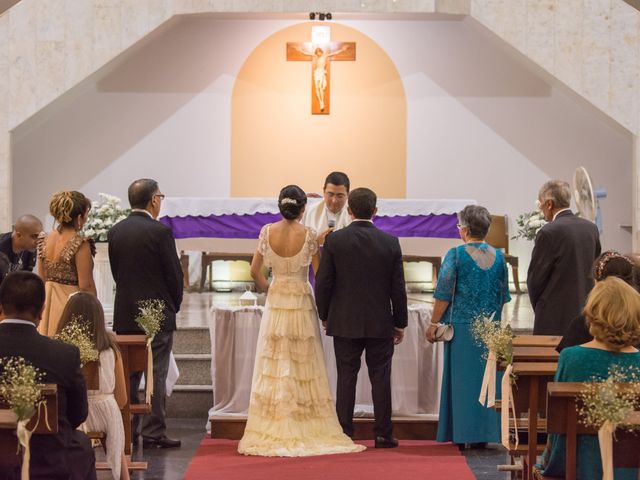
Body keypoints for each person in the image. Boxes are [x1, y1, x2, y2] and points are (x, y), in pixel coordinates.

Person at [238, 185, 365, 457]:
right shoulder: (308, 235)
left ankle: (275, 419)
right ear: (304, 208)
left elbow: (253, 271)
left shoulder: (266, 232)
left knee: (275, 359)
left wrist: (270, 287)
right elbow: (319, 277)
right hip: (301, 300)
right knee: (303, 360)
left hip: (277, 300)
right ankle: (304, 419)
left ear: (280, 206)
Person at [315, 187, 408, 448]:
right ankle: (383, 434)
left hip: (344, 321)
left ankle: (344, 431)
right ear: (375, 211)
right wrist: (399, 322)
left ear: (349, 210)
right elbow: (397, 288)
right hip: (380, 322)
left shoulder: (335, 241)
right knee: (381, 377)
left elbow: (324, 283)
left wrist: (325, 315)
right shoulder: (390, 242)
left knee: (346, 376)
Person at [538, 277, 640, 480]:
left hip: (578, 464)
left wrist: (547, 460)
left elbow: (557, 424)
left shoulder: (571, 357)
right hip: (632, 469)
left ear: (592, 314)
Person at [426, 205, 511, 447]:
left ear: (463, 230)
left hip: (462, 328)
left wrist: (433, 322)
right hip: (490, 328)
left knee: (463, 382)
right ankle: (484, 434)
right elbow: (503, 295)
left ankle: (463, 433)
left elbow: (443, 292)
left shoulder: (455, 255)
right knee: (486, 380)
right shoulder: (500, 257)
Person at [108, 179, 183, 449]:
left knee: (128, 373)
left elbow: (117, 273)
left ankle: (128, 426)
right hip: (157, 313)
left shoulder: (116, 231)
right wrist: (173, 304)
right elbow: (174, 275)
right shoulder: (160, 232)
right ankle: (154, 431)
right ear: (153, 200)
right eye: (160, 197)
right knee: (156, 373)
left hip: (126, 313)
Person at [0, 272, 96, 480]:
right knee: (81, 444)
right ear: (42, 312)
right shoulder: (63, 354)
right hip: (49, 460)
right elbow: (77, 415)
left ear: (1, 307)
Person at [56, 293, 129, 480]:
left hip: (74, 415)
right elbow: (122, 399)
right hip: (106, 413)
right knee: (116, 438)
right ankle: (122, 475)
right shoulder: (110, 348)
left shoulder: (60, 348)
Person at [528, 180, 601, 335]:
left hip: (555, 316)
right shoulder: (591, 228)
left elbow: (536, 279)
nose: (540, 208)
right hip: (586, 312)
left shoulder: (549, 232)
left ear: (549, 204)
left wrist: (541, 307)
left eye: (540, 204)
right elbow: (596, 269)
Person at [38, 191, 96, 337]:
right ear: (79, 217)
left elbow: (42, 277)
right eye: (86, 214)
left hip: (46, 305)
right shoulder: (80, 243)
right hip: (70, 305)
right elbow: (86, 285)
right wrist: (96, 313)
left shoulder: (44, 239)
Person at [558, 251, 640, 352]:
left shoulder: (582, 324)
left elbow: (568, 362)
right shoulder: (636, 322)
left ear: (597, 284)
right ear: (632, 285)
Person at [302, 171, 351, 246]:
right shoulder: (309, 212)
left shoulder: (354, 214)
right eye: (330, 195)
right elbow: (298, 244)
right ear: (324, 192)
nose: (334, 201)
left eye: (340, 196)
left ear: (347, 194)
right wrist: (316, 242)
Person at [294, 45, 348, 111]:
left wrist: (342, 50)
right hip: (317, 72)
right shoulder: (316, 56)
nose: (318, 54)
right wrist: (300, 50)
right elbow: (307, 53)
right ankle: (320, 102)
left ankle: (322, 103)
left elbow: (334, 53)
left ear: (321, 52)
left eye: (319, 52)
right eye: (317, 53)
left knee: (320, 88)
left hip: (322, 72)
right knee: (316, 87)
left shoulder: (325, 56)